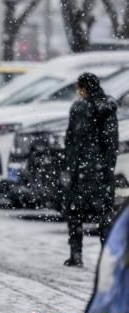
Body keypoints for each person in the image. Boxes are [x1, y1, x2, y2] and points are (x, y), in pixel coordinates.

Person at [62, 72, 118, 267]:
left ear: (84, 87)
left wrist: (69, 165)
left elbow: (70, 139)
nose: (79, 91)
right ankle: (107, 257)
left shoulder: (79, 107)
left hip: (80, 170)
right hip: (99, 171)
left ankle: (76, 254)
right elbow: (111, 143)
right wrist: (108, 167)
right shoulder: (107, 108)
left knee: (75, 213)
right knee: (104, 215)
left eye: (80, 87)